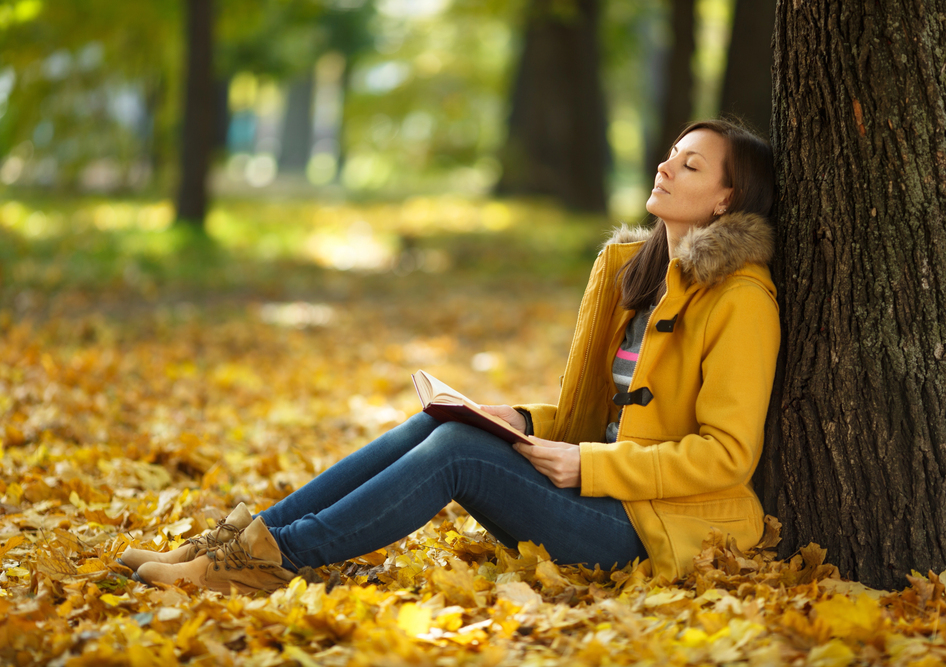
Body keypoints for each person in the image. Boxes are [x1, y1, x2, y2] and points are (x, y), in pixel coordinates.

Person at [119, 119, 780, 594]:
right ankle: (242, 542)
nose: (665, 167)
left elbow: (726, 453)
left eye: (690, 165)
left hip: (652, 529)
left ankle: (271, 557)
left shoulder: (739, 297)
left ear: (726, 199)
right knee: (447, 422)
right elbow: (596, 414)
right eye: (670, 155)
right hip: (596, 490)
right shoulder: (632, 273)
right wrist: (521, 419)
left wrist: (588, 463)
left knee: (459, 452)